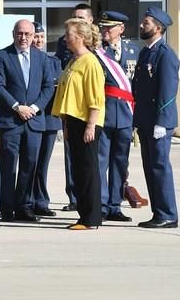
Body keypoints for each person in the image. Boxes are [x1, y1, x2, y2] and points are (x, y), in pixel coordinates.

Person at [0, 19, 54, 222]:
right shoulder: (2, 55)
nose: (24, 38)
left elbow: (48, 87)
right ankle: (7, 207)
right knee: (8, 165)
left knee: (30, 165)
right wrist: (17, 107)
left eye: (28, 34)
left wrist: (34, 108)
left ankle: (24, 206)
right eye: (20, 33)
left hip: (34, 121)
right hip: (11, 120)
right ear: (13, 34)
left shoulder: (42, 58)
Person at [52, 18, 105, 230]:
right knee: (79, 170)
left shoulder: (90, 62)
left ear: (80, 38)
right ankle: (83, 215)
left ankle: (90, 218)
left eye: (69, 35)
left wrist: (91, 125)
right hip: (73, 121)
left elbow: (95, 98)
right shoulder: (74, 60)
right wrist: (65, 124)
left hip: (86, 122)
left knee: (88, 170)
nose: (65, 38)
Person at [133, 7, 179, 229]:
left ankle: (168, 213)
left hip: (159, 121)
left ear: (158, 28)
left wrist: (161, 121)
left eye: (147, 22)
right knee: (150, 167)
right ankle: (158, 212)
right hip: (145, 119)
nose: (142, 25)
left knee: (160, 166)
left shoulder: (165, 54)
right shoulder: (145, 52)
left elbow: (168, 91)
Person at [95, 11, 139, 222]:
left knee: (120, 162)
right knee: (101, 161)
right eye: (103, 27)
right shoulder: (97, 52)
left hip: (126, 115)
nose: (104, 31)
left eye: (109, 28)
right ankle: (102, 205)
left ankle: (115, 206)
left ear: (120, 29)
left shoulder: (134, 50)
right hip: (104, 113)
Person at [55, 3, 93, 212]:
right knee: (73, 159)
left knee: (92, 163)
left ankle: (100, 203)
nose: (77, 21)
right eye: (74, 17)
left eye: (81, 18)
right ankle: (75, 197)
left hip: (92, 112)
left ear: (90, 21)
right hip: (72, 108)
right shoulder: (65, 45)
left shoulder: (94, 51)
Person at [31, 22, 61, 217]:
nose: (39, 40)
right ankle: (27, 200)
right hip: (30, 117)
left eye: (41, 37)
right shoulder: (23, 59)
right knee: (29, 163)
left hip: (49, 119)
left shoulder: (54, 62)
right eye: (36, 37)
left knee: (43, 164)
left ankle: (41, 201)